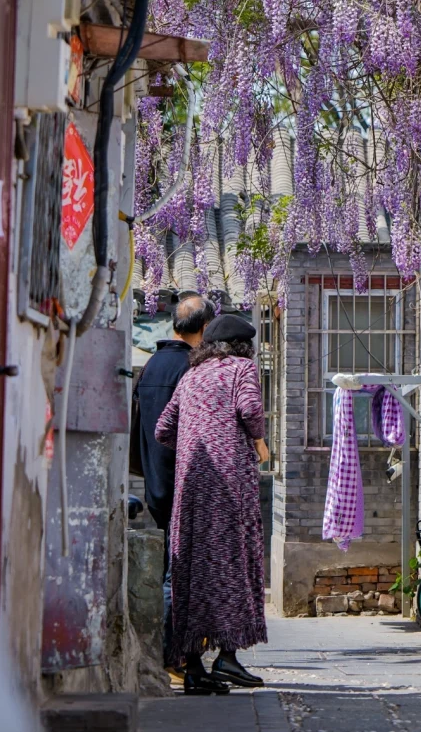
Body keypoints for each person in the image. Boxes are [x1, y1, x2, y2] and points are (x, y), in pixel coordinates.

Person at [155, 311, 270, 696]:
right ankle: (228, 656)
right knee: (232, 560)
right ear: (243, 346)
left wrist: (194, 443)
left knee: (191, 568)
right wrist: (256, 442)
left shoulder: (191, 377)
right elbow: (250, 410)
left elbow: (163, 429)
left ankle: (192, 667)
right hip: (229, 483)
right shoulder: (241, 369)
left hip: (191, 485)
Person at [136, 292, 214, 667]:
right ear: (203, 328)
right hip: (184, 486)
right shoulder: (192, 370)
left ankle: (176, 655)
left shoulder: (151, 366)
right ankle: (177, 658)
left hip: (155, 484)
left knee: (172, 567)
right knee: (180, 574)